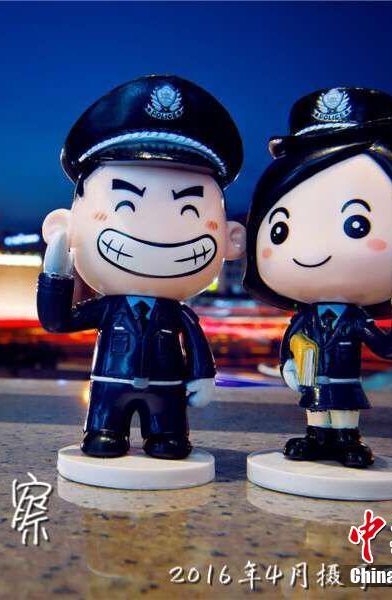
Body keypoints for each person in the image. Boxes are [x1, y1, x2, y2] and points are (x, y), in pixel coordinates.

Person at [38, 75, 245, 459]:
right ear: (66, 225)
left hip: (166, 388)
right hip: (110, 382)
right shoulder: (110, 308)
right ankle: (104, 431)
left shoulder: (177, 314)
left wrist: (202, 376)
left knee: (169, 436)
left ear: (232, 239)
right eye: (126, 206)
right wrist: (55, 275)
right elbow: (58, 322)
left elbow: (196, 345)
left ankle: (167, 436)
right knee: (105, 433)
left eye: (189, 210)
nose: (159, 232)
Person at [243, 87, 392, 468]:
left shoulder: (354, 320)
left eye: (356, 225)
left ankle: (348, 439)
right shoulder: (307, 319)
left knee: (345, 413)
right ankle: (317, 437)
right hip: (315, 383)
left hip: (346, 384)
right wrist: (288, 365)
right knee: (317, 411)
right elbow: (291, 343)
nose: (312, 249)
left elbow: (389, 348)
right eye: (280, 231)